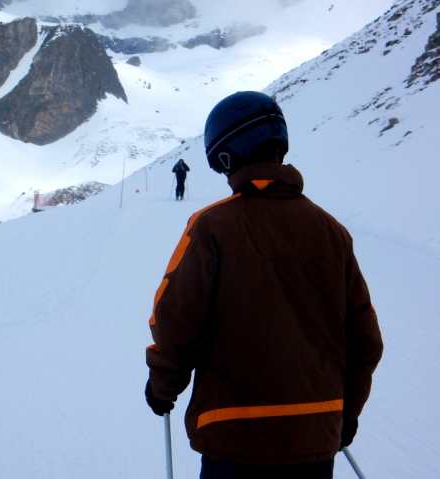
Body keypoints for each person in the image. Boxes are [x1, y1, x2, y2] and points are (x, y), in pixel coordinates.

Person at [145, 91, 383, 478]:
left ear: (225, 155)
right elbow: (365, 339)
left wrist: (162, 388)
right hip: (315, 441)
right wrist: (345, 415)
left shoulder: (212, 226)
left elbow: (175, 321)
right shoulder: (332, 231)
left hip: (233, 439)